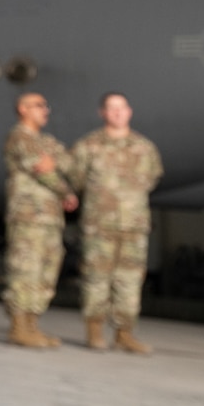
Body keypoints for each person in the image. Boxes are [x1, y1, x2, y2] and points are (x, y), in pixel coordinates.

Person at [70, 92, 163, 354]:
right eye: (112, 108)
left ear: (129, 111)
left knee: (130, 280)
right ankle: (94, 331)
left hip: (133, 226)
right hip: (99, 225)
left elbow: (152, 178)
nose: (118, 113)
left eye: (122, 108)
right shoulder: (88, 145)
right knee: (96, 277)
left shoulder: (145, 148)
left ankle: (125, 333)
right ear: (103, 113)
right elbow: (76, 178)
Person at [1, 92, 76, 348]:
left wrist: (52, 163)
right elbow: (41, 170)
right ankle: (19, 327)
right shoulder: (19, 137)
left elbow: (67, 163)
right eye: (39, 105)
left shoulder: (45, 140)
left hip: (50, 218)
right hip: (28, 215)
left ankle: (33, 325)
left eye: (46, 105)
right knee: (26, 269)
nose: (46, 110)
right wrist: (65, 191)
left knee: (46, 270)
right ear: (23, 109)